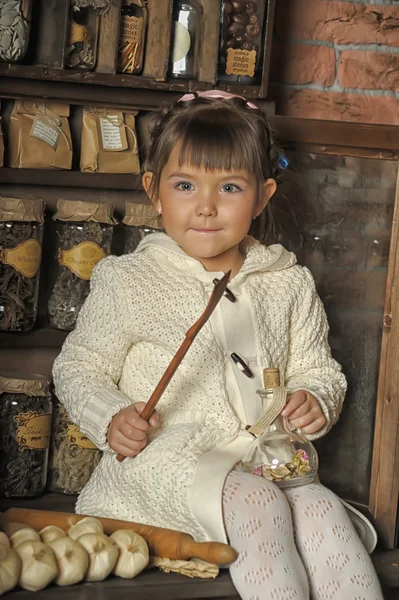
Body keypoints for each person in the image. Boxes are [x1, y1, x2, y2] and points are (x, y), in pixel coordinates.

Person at [53, 90, 383, 599]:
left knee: (321, 510)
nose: (206, 207)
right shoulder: (129, 280)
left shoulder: (286, 282)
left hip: (266, 458)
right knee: (259, 504)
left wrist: (316, 400)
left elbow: (319, 369)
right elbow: (78, 367)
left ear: (263, 196)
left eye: (229, 187)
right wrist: (111, 416)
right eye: (185, 185)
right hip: (164, 461)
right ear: (154, 191)